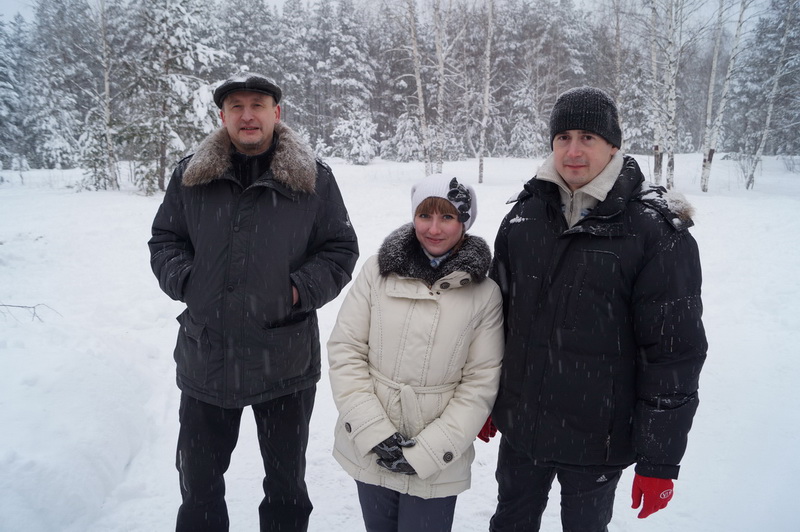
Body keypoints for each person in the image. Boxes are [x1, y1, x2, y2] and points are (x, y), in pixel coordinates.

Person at [485, 87, 707, 531]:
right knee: (509, 522)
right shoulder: (525, 216)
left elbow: (673, 354)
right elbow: (493, 323)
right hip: (523, 427)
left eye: (587, 137)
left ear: (613, 145)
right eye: (563, 137)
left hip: (598, 439)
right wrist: (487, 399)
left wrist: (659, 460)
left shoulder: (653, 230)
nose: (573, 151)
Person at [148, 72, 359, 532]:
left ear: (276, 113)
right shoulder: (190, 176)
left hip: (282, 359)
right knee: (199, 487)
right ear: (222, 116)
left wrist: (295, 291)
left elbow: (340, 250)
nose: (248, 116)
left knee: (286, 489)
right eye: (237, 107)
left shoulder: (314, 179)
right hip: (208, 356)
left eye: (257, 105)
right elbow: (165, 240)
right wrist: (188, 281)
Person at [327, 174, 504, 531]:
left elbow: (480, 384)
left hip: (437, 463)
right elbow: (346, 350)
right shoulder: (376, 272)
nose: (434, 229)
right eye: (425, 215)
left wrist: (428, 452)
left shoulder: (484, 294)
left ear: (465, 221)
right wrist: (374, 433)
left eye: (447, 216)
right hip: (370, 446)